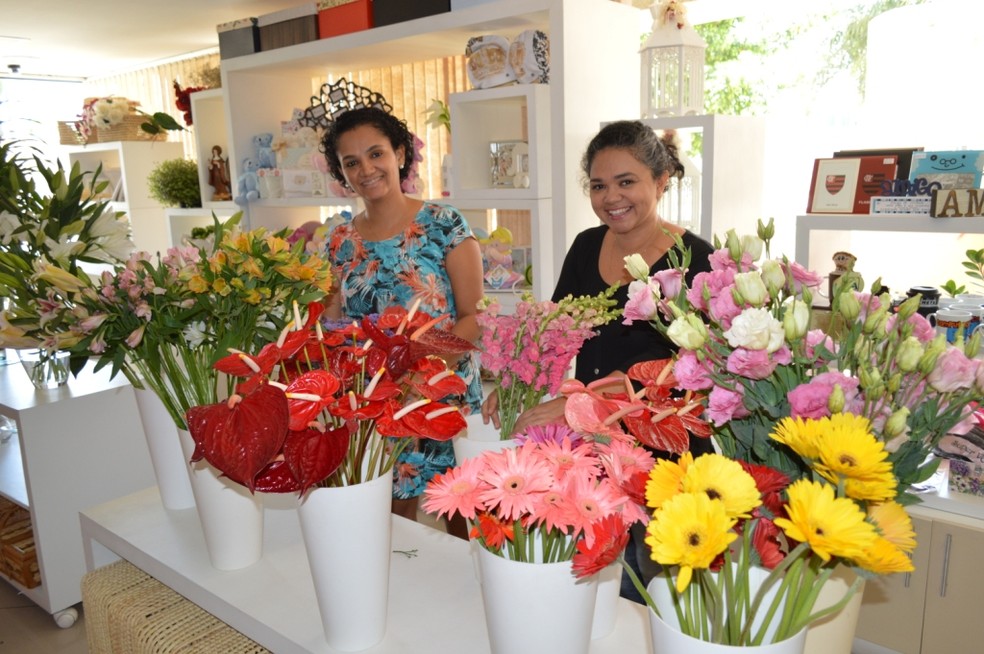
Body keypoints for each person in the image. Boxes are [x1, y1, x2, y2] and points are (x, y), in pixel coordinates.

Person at [481, 120, 716, 601]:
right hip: (591, 447)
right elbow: (557, 332)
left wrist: (581, 401)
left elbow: (686, 371)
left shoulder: (698, 260)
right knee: (595, 583)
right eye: (598, 185)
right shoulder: (587, 245)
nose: (612, 197)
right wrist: (515, 384)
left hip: (664, 454)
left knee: (654, 592)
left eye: (626, 182)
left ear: (661, 180)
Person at [321, 107, 484, 540]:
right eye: (351, 162)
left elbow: (474, 316)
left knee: (460, 521)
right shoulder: (340, 239)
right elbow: (334, 319)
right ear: (341, 172)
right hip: (377, 400)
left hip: (444, 392)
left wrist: (424, 374)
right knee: (390, 524)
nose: (366, 169)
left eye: (376, 154)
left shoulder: (443, 224)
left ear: (398, 154)